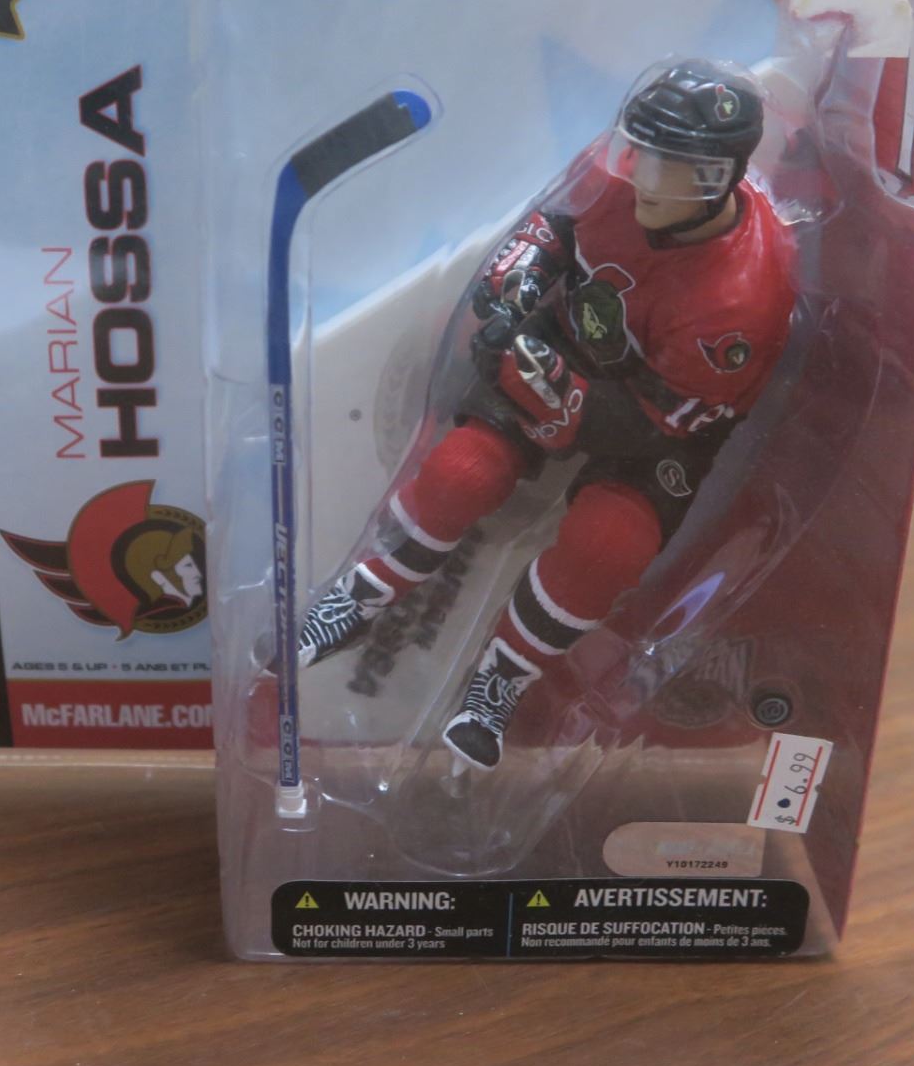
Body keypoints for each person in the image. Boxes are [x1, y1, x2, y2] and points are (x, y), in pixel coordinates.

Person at [297, 60, 798, 768]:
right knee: (461, 472)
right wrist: (520, 279)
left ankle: (501, 678)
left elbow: (653, 420)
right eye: (642, 152)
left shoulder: (744, 300)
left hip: (659, 421)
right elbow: (552, 226)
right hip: (570, 351)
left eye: (671, 167)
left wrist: (550, 390)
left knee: (609, 545)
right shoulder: (618, 172)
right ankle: (361, 592)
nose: (644, 178)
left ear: (720, 177)